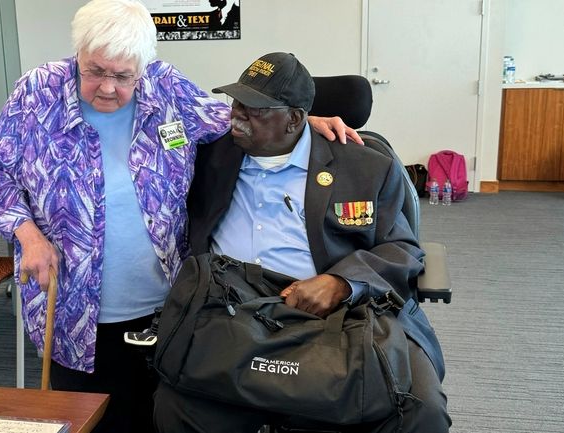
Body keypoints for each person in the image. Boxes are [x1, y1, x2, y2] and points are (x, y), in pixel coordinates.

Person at [0, 1, 360, 432]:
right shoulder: (37, 93)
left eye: (122, 76)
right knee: (89, 421)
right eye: (94, 70)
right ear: (77, 54)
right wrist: (28, 235)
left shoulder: (166, 88)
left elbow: (226, 119)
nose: (107, 88)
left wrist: (303, 124)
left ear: (143, 67)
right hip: (71, 308)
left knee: (158, 417)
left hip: (165, 308)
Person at [154, 52, 451, 433]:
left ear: (294, 119)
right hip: (235, 312)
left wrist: (342, 283)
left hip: (346, 316)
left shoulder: (366, 166)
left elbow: (402, 248)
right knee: (176, 403)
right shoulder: (210, 154)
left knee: (420, 409)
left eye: (255, 109)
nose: (236, 116)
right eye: (237, 103)